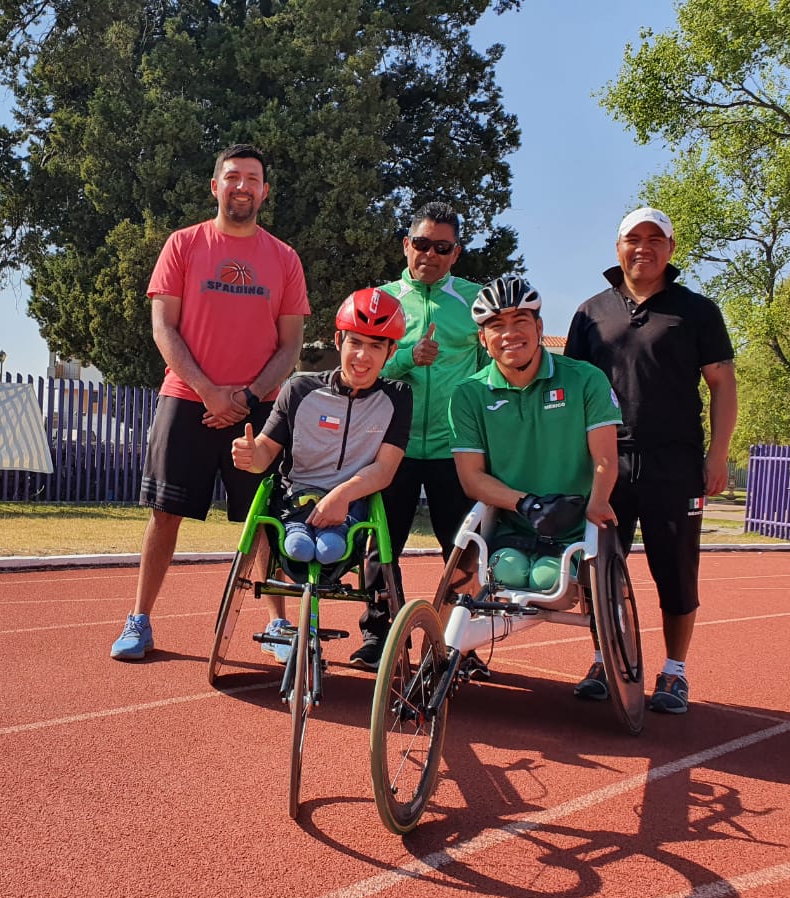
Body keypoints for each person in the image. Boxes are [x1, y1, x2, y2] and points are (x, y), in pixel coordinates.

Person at [111, 144, 310, 660]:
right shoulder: (182, 245)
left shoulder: (285, 259)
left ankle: (280, 627)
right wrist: (208, 391)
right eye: (232, 177)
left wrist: (243, 398)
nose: (241, 186)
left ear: (264, 190)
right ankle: (140, 620)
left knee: (263, 518)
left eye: (252, 178)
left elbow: (290, 345)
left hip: (258, 409)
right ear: (215, 186)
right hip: (186, 399)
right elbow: (164, 327)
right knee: (164, 514)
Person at [565, 207, 737, 714]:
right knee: (597, 571)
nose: (643, 247)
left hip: (674, 465)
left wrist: (719, 452)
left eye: (655, 238)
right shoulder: (589, 313)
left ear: (671, 247)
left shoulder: (697, 311)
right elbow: (570, 387)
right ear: (617, 247)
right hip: (604, 464)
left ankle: (674, 672)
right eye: (632, 238)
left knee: (676, 573)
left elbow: (722, 384)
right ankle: (602, 658)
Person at [231, 288, 412, 652]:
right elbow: (266, 452)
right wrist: (251, 456)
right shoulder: (299, 389)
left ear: (391, 352)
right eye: (355, 343)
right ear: (338, 340)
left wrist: (341, 496)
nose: (362, 356)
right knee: (282, 531)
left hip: (353, 507)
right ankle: (280, 623)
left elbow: (385, 469)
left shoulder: (398, 397)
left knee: (335, 548)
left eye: (376, 346)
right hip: (294, 502)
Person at [355, 202, 484, 670]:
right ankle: (379, 637)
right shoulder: (381, 300)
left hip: (455, 448)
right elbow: (361, 366)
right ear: (406, 245)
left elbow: (497, 366)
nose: (430, 253)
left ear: (456, 253)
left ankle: (458, 645)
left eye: (442, 247)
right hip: (392, 445)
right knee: (380, 543)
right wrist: (409, 354)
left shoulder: (475, 302)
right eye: (422, 244)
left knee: (464, 549)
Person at [450, 273, 621, 612]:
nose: (510, 333)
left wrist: (598, 502)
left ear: (540, 327)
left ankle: (603, 654)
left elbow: (605, 459)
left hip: (573, 529)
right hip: (511, 527)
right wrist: (527, 504)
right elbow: (472, 479)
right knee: (504, 572)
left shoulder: (586, 380)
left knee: (549, 581)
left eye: (520, 321)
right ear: (483, 339)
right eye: (497, 325)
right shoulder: (467, 394)